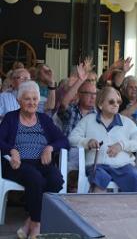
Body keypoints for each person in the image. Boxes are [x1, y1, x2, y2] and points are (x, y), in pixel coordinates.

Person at [0, 81, 69, 239]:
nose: (31, 103)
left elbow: (63, 140)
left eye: (34, 99)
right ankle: (37, 224)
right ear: (19, 101)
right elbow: (0, 140)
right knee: (35, 179)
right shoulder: (11, 118)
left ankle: (30, 221)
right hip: (19, 164)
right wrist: (12, 150)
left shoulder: (44, 119)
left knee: (56, 180)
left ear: (39, 101)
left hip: (42, 162)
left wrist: (49, 148)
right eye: (27, 99)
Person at [69, 86, 137, 192]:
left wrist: (122, 145)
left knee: (134, 177)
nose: (116, 104)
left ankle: (134, 208)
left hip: (123, 165)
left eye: (118, 102)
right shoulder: (88, 120)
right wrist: (87, 142)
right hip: (97, 165)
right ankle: (100, 208)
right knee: (98, 179)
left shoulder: (127, 122)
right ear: (100, 105)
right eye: (111, 102)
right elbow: (72, 138)